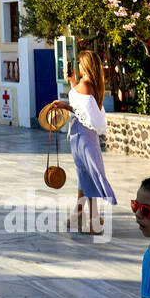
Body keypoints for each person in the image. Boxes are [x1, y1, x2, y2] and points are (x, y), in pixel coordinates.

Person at [50, 50, 115, 234]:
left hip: (83, 135)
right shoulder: (85, 84)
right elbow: (81, 103)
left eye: (79, 63)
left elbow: (83, 112)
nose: (77, 66)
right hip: (81, 134)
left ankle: (93, 222)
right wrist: (71, 82)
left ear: (85, 65)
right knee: (84, 176)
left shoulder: (86, 85)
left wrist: (64, 106)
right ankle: (77, 215)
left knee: (89, 176)